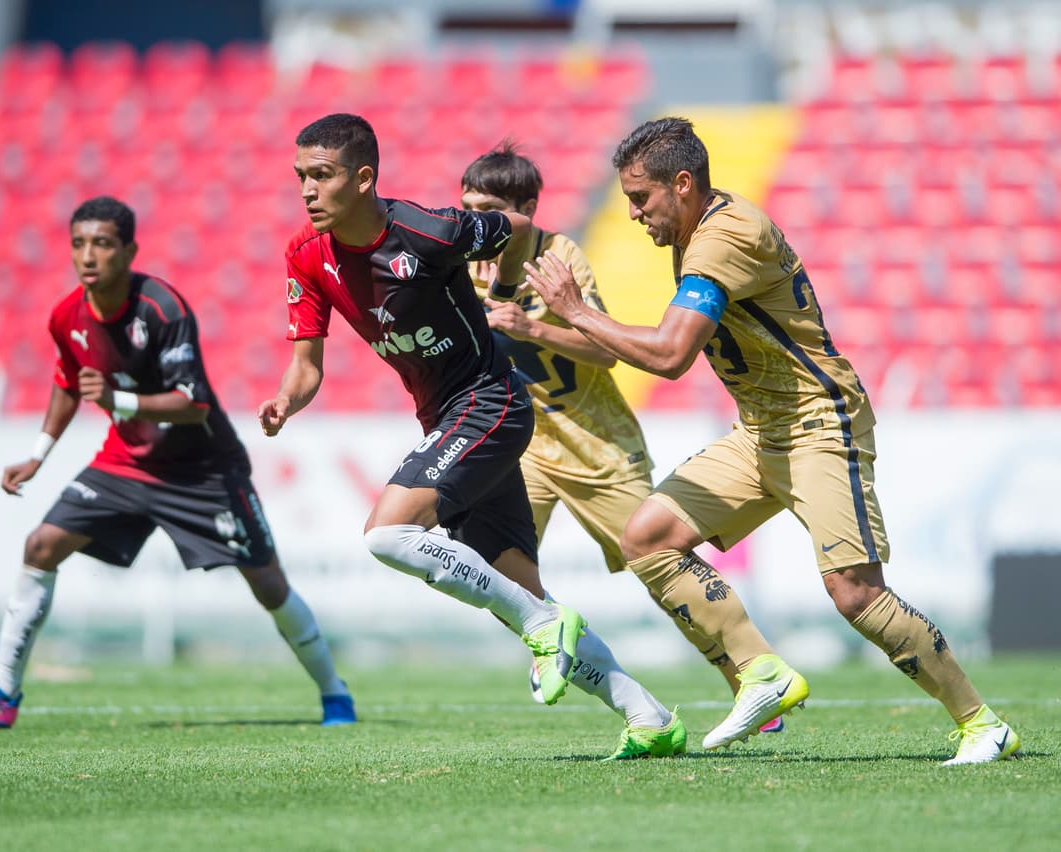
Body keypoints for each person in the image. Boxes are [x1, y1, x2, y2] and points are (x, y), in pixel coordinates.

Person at [522, 116, 1021, 764]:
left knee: (855, 591)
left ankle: (983, 723)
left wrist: (578, 312)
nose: (635, 214)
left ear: (682, 184)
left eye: (641, 198)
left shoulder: (725, 235)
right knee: (647, 537)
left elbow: (672, 354)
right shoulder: (695, 229)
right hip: (761, 434)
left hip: (819, 423)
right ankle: (762, 672)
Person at [258, 113, 685, 759]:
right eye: (301, 178)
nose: (308, 190)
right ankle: (649, 716)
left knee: (388, 534)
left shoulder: (427, 231)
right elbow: (307, 365)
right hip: (447, 419)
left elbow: (513, 228)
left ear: (364, 177)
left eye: (322, 175)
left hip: (491, 402)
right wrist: (287, 400)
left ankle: (544, 626)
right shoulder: (305, 255)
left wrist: (507, 291)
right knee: (518, 591)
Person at [0, 196, 356, 728]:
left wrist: (117, 402)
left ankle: (335, 694)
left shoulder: (161, 309)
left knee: (267, 584)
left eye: (103, 243)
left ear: (129, 250)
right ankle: (2, 693)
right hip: (126, 464)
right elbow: (69, 382)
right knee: (41, 545)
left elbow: (193, 402)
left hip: (203, 469)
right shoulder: (67, 316)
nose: (89, 255)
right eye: (80, 244)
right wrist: (38, 455)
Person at [459, 141, 783, 733]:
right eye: (468, 207)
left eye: (489, 208)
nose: (476, 221)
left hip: (599, 444)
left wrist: (531, 326)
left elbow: (605, 356)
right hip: (526, 446)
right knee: (495, 566)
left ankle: (750, 681)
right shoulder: (464, 263)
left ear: (527, 207)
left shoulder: (560, 257)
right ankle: (549, 634)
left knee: (659, 562)